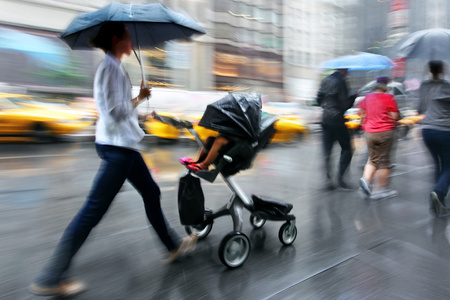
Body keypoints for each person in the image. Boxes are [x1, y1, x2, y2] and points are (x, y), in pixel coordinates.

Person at [29, 22, 197, 297]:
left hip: (125, 147)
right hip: (117, 150)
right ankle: (51, 276)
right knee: (92, 212)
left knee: (151, 192)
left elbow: (122, 112)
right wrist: (139, 97)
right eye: (129, 37)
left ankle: (173, 246)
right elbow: (113, 112)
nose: (132, 42)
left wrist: (141, 108)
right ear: (117, 38)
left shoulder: (115, 67)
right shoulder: (108, 68)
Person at [357, 76, 399, 200]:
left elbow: (360, 112)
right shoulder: (389, 97)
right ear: (386, 86)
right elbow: (394, 116)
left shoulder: (367, 97)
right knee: (385, 162)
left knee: (372, 159)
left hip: (369, 132)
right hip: (385, 132)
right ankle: (381, 190)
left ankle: (365, 180)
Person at [417, 60, 450, 216]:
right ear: (442, 69)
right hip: (445, 131)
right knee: (448, 166)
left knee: (438, 166)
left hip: (427, 130)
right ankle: (438, 192)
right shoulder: (447, 87)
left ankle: (437, 202)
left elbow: (420, 109)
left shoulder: (424, 86)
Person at [316, 68, 356, 190]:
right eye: (347, 70)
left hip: (325, 120)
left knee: (327, 151)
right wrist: (353, 97)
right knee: (347, 148)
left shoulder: (325, 80)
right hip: (337, 120)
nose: (348, 72)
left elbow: (318, 100)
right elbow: (344, 104)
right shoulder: (341, 81)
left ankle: (328, 180)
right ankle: (340, 179)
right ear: (343, 70)